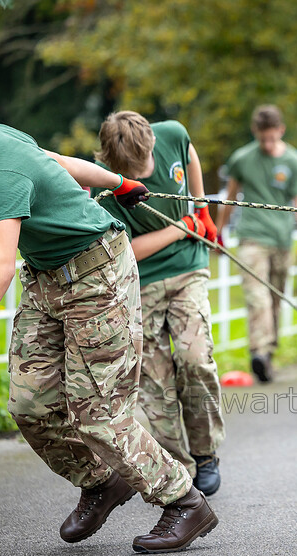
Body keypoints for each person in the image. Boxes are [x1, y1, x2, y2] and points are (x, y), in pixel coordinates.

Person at [0, 120, 217, 554]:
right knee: (30, 406)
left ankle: (183, 500)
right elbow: (53, 162)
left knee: (98, 413)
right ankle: (102, 483)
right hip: (46, 278)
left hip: (97, 276)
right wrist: (119, 182)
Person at [93, 111, 225, 497]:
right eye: (133, 169)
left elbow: (190, 155)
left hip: (188, 271)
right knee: (154, 379)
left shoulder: (172, 135)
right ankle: (178, 467)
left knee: (194, 359)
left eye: (145, 165)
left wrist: (201, 210)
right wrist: (181, 228)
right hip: (143, 282)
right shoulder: (104, 190)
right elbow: (127, 250)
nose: (143, 171)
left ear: (153, 143)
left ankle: (205, 453)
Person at [215, 105, 297, 383]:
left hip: (282, 239)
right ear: (255, 132)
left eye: (272, 137)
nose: (268, 144)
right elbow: (229, 197)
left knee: (274, 299)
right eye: (262, 138)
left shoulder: (293, 160)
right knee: (257, 297)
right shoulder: (242, 159)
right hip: (252, 237)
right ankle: (258, 351)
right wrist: (218, 231)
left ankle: (267, 354)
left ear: (281, 130)